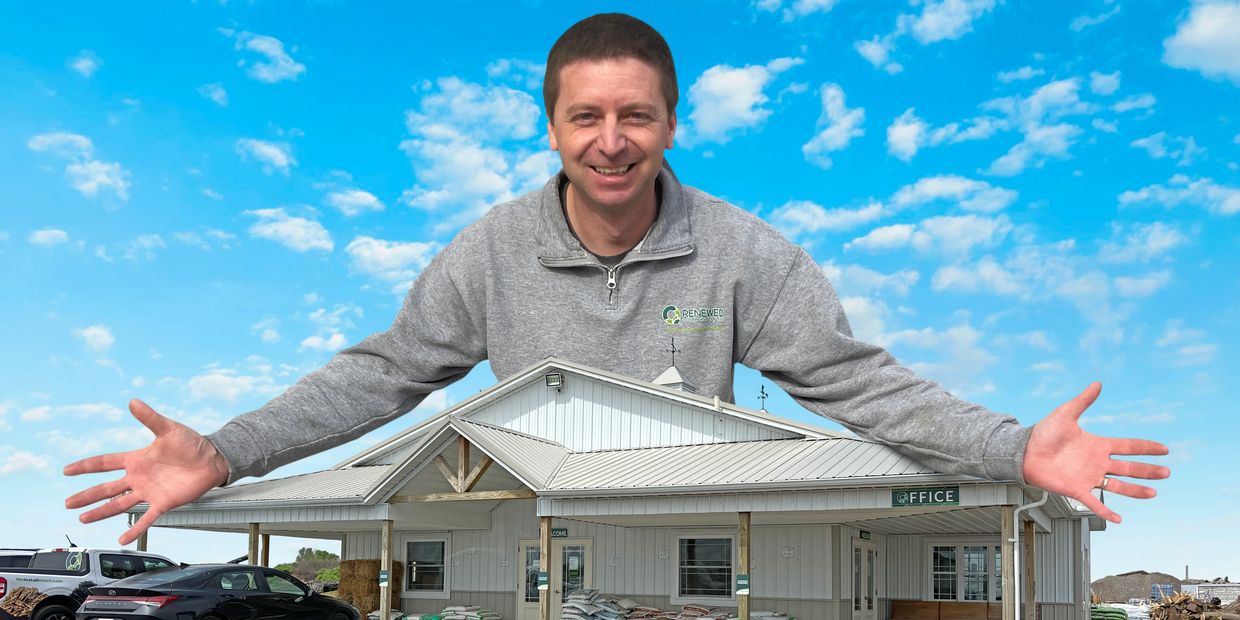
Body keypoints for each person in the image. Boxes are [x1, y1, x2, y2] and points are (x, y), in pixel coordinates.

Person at [65, 13, 1169, 545]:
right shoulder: (488, 251)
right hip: (521, 543)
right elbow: (385, 372)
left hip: (701, 538)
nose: (610, 139)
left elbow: (854, 383)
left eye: (633, 114)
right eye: (584, 116)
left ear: (669, 121)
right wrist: (226, 449)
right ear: (551, 126)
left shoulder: (745, 254)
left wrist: (1010, 443)